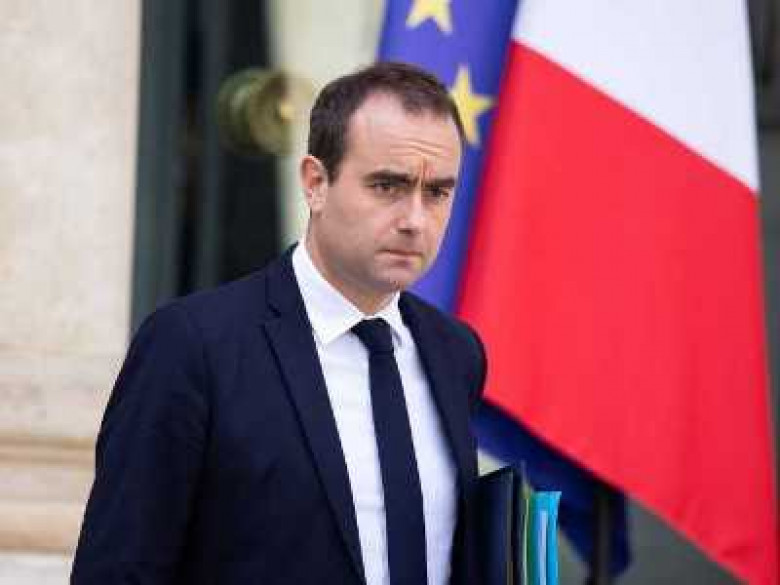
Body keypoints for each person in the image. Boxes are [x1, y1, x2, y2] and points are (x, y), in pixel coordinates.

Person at [71, 62, 486, 585]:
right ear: (315, 183)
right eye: (387, 185)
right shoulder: (193, 347)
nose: (414, 220)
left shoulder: (455, 353)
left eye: (438, 192)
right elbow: (119, 570)